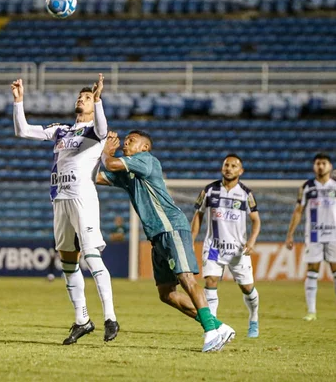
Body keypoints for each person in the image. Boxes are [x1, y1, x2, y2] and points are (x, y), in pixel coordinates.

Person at [97, 130, 235, 352]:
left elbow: (111, 165)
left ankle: (210, 331)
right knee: (166, 293)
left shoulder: (146, 160)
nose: (125, 143)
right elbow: (98, 176)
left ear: (144, 147)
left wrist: (105, 153)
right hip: (156, 234)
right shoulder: (129, 173)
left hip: (171, 227)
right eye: (125, 141)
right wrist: (94, 153)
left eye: (131, 141)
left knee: (186, 278)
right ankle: (218, 326)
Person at [12, 74, 120, 344]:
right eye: (80, 97)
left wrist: (99, 100)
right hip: (59, 198)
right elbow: (23, 131)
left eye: (86, 98)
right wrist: (19, 102)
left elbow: (104, 127)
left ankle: (110, 317)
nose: (81, 100)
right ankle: (82, 320)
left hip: (82, 197)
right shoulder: (61, 130)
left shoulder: (95, 131)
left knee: (92, 257)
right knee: (68, 262)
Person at [191, 154, 261, 338]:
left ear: (240, 171)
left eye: (233, 166)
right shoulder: (209, 190)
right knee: (211, 280)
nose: (229, 168)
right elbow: (198, 215)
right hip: (214, 247)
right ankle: (213, 325)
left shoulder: (246, 194)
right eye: (226, 165)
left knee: (247, 288)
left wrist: (252, 241)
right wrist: (191, 239)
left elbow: (256, 221)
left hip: (238, 250)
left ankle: (253, 318)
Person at [285, 153, 336, 323]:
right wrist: (290, 233)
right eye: (318, 163)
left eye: (324, 163)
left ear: (330, 166)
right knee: (312, 272)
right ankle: (311, 311)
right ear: (314, 166)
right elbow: (298, 211)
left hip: (334, 235)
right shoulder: (307, 187)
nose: (321, 166)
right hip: (314, 235)